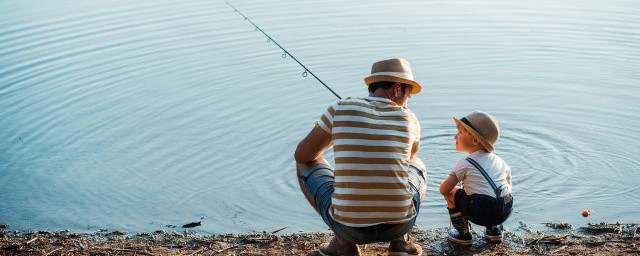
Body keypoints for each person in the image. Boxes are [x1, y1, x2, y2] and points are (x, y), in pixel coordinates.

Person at [294, 58, 427, 256]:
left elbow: (302, 155)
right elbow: (409, 159)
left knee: (304, 164)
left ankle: (343, 243)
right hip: (399, 224)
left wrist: (337, 136)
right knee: (418, 164)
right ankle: (401, 241)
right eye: (408, 95)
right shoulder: (410, 119)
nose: (407, 102)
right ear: (397, 89)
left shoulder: (339, 108)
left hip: (349, 227)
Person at [439, 111, 513, 245]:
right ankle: (494, 230)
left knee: (452, 192)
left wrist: (461, 192)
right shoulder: (500, 161)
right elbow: (508, 183)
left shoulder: (464, 164)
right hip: (505, 209)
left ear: (475, 140)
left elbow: (444, 189)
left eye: (460, 133)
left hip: (481, 211)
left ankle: (463, 234)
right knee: (494, 192)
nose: (455, 136)